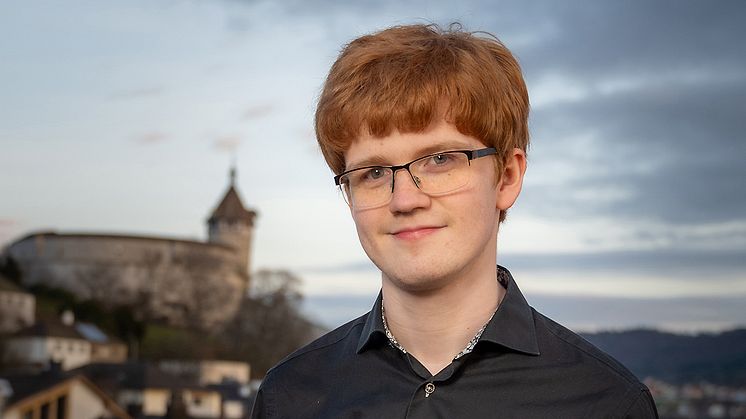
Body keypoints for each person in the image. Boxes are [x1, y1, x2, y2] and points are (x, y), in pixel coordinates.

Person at [250, 23, 658, 418]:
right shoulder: (288, 396)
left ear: (507, 178)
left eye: (440, 159)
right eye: (374, 172)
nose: (405, 199)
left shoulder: (607, 405)